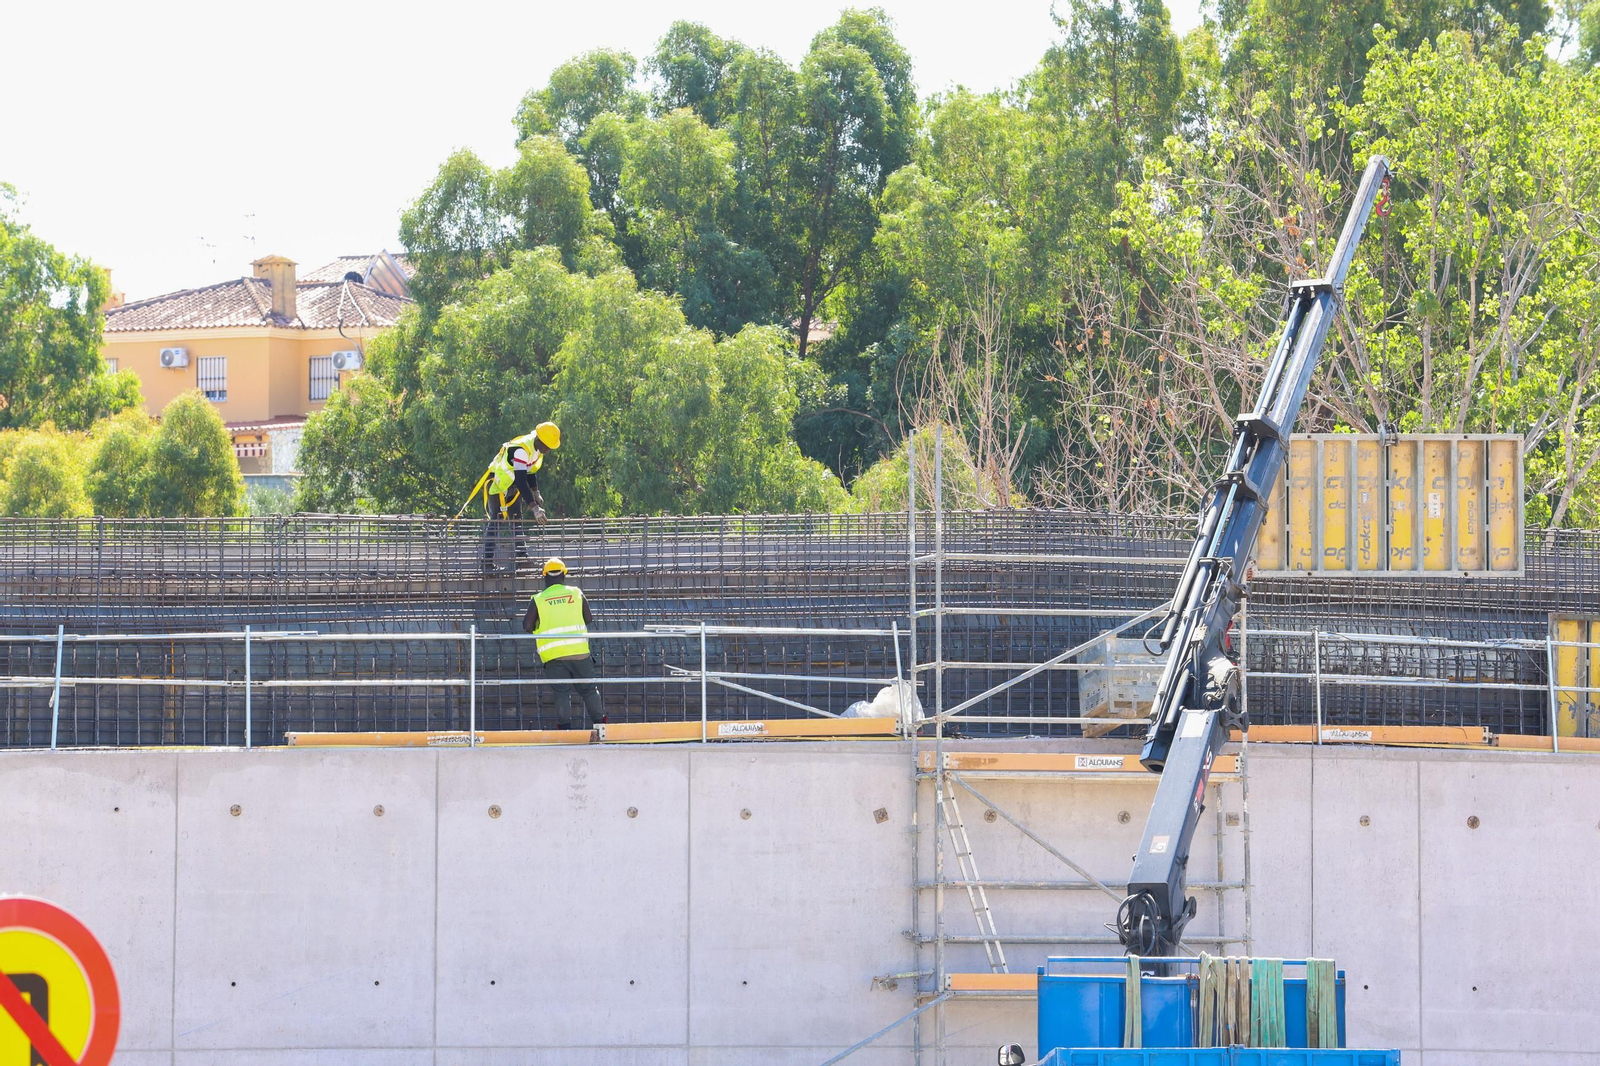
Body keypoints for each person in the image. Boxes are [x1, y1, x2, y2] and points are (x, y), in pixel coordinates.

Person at [523, 557, 602, 730]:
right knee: (589, 690)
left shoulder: (539, 599)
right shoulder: (576, 593)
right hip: (579, 652)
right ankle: (600, 725)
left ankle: (565, 730)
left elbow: (527, 626)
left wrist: (539, 626)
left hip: (553, 656)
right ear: (564, 575)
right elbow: (589, 618)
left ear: (545, 577)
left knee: (561, 693)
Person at [479, 421, 560, 568]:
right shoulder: (521, 450)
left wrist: (536, 492)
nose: (548, 450)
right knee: (497, 521)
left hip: (513, 487)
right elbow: (522, 481)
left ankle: (522, 558)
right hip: (498, 485)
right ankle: (487, 563)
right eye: (547, 446)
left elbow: (530, 471)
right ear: (539, 440)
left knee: (516, 519)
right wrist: (535, 508)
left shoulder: (536, 449)